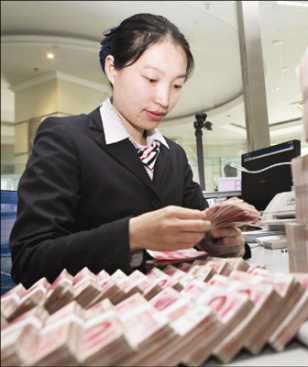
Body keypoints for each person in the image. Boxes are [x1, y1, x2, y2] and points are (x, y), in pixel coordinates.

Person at [9, 13, 246, 288]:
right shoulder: (65, 137)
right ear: (112, 69)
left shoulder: (174, 155)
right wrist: (132, 235)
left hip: (171, 307)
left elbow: (204, 233)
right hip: (96, 313)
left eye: (177, 85)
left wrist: (224, 243)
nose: (164, 99)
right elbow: (29, 260)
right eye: (150, 79)